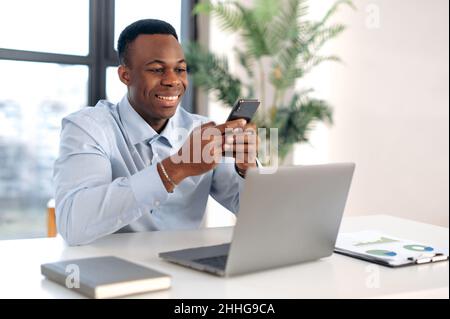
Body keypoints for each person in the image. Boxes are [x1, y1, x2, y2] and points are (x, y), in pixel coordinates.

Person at [53, 19, 257, 246]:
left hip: (188, 272)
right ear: (125, 76)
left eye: (180, 69)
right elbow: (74, 225)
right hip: (110, 270)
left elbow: (258, 216)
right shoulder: (88, 128)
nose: (172, 81)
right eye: (157, 69)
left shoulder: (201, 132)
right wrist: (176, 168)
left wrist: (247, 170)